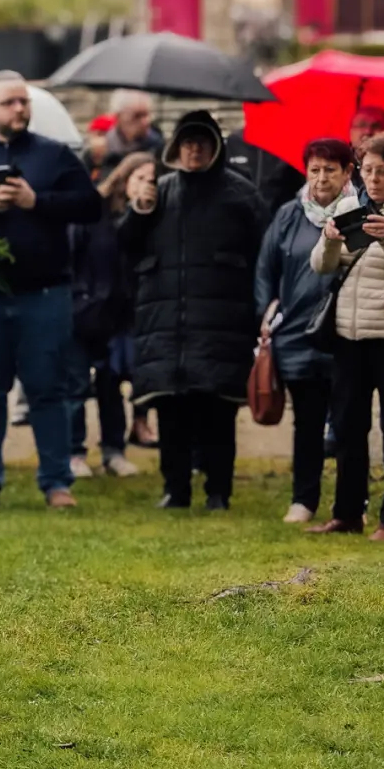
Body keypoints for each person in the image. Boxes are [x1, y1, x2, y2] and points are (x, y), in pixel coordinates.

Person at [0, 71, 103, 508]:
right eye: (10, 102)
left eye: (24, 102)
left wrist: (39, 203)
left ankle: (56, 483)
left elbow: (91, 205)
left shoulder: (55, 157)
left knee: (47, 389)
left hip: (45, 294)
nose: (19, 108)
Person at [119, 110, 268, 511]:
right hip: (165, 323)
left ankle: (219, 491)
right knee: (172, 411)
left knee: (217, 411)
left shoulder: (242, 195)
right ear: (175, 148)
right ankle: (176, 489)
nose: (194, 149)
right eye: (187, 142)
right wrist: (138, 211)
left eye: (202, 142)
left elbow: (262, 256)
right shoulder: (159, 192)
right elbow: (125, 246)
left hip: (222, 324)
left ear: (215, 147)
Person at [308, 131, 384, 541]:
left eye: (383, 172)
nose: (374, 179)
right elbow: (323, 267)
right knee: (347, 427)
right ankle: (347, 514)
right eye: (367, 171)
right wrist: (328, 242)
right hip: (350, 335)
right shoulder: (350, 207)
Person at [255, 138, 353, 525]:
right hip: (296, 334)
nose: (321, 177)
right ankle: (303, 499)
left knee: (347, 421)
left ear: (348, 172)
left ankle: (350, 502)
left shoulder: (359, 213)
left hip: (346, 331)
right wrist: (267, 314)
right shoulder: (288, 215)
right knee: (308, 423)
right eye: (315, 169)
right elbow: (266, 269)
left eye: (330, 169)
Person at [68, 152, 150, 479]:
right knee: (74, 383)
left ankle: (113, 450)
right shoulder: (92, 210)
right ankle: (73, 452)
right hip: (83, 309)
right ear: (125, 178)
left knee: (112, 384)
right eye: (141, 178)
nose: (146, 186)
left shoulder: (144, 217)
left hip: (120, 314)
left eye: (152, 180)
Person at [97, 89, 162, 175]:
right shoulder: (102, 149)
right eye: (137, 116)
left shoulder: (158, 148)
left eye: (146, 115)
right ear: (118, 117)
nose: (145, 122)